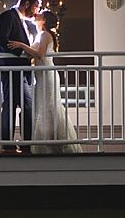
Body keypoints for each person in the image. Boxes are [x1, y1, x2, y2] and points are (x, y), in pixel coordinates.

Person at [8, 8, 83, 155]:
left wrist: (21, 45)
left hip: (47, 75)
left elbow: (39, 55)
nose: (37, 15)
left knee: (49, 106)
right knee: (42, 106)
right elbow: (33, 54)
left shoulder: (45, 34)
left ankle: (55, 141)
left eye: (40, 14)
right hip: (41, 76)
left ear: (45, 20)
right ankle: (47, 141)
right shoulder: (40, 35)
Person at [0, 0, 40, 153]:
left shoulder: (23, 21)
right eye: (35, 7)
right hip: (11, 68)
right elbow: (1, 38)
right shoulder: (8, 16)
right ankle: (11, 143)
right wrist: (21, 53)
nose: (35, 12)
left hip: (21, 71)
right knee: (16, 105)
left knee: (21, 105)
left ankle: (21, 142)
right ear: (26, 4)